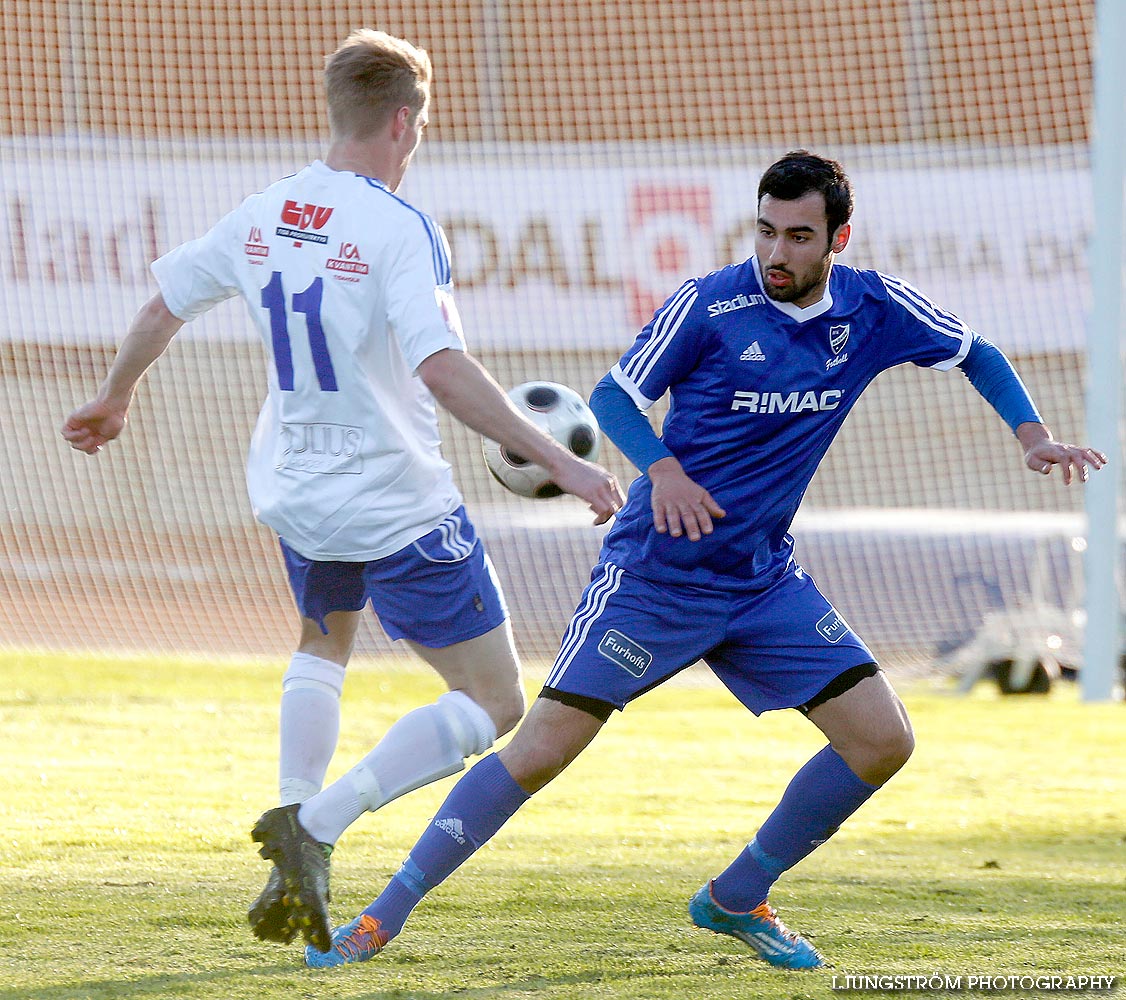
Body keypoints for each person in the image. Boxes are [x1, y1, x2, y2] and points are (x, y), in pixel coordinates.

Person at [274, 148, 1108, 972]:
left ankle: (739, 895)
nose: (776, 253)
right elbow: (612, 397)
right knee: (538, 752)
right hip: (655, 579)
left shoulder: (876, 309)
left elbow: (976, 351)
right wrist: (662, 470)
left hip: (761, 580)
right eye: (765, 231)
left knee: (883, 741)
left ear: (838, 241)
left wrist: (1032, 435)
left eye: (798, 237)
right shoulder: (709, 305)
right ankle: (382, 917)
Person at [60, 28, 623, 955]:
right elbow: (442, 369)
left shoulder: (264, 211)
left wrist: (115, 395)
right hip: (392, 496)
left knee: (325, 638)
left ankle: (292, 855)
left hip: (293, 485)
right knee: (493, 703)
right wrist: (559, 461)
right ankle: (316, 823)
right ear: (404, 122)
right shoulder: (401, 229)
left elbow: (165, 302)